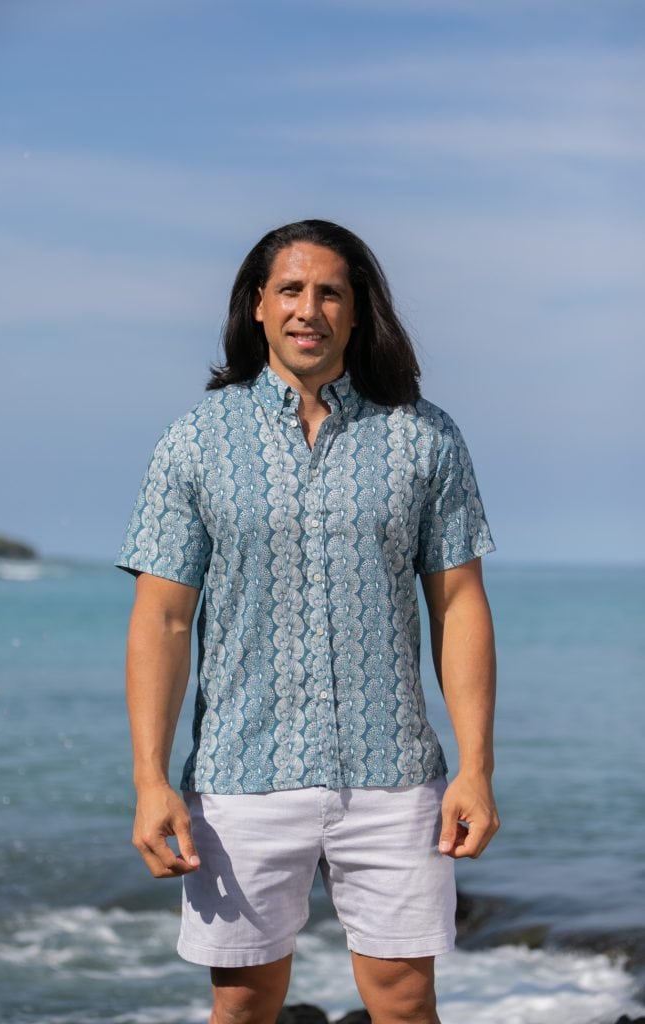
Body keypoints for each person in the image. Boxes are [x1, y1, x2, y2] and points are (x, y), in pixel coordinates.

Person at [116, 219, 499, 1024]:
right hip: (240, 774)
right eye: (289, 289)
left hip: (393, 774)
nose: (308, 309)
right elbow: (163, 620)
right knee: (242, 1004)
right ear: (256, 305)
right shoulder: (194, 441)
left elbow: (458, 603)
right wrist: (150, 781)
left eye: (330, 293)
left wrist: (475, 768)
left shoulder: (424, 436)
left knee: (405, 1000)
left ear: (356, 313)